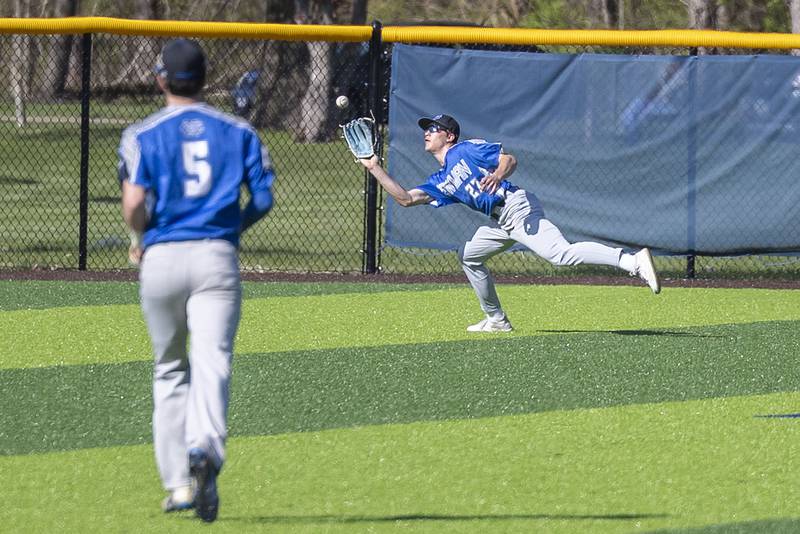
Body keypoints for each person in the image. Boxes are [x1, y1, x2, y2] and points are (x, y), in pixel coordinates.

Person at [119, 38, 275, 522]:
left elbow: (132, 205)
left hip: (162, 256)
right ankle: (205, 447)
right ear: (206, 80)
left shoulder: (142, 133)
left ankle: (179, 486)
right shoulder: (240, 130)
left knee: (170, 369)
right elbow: (265, 198)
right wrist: (230, 230)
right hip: (216, 258)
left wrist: (139, 234)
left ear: (161, 79)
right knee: (212, 361)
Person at [358, 113, 659, 332]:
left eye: (433, 129)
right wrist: (374, 167)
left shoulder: (465, 150)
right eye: (426, 129)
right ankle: (497, 320)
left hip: (517, 208)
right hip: (500, 222)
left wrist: (499, 174)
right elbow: (406, 199)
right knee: (469, 256)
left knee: (560, 255)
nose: (427, 132)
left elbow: (509, 159)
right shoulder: (442, 179)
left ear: (448, 136)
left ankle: (631, 261)